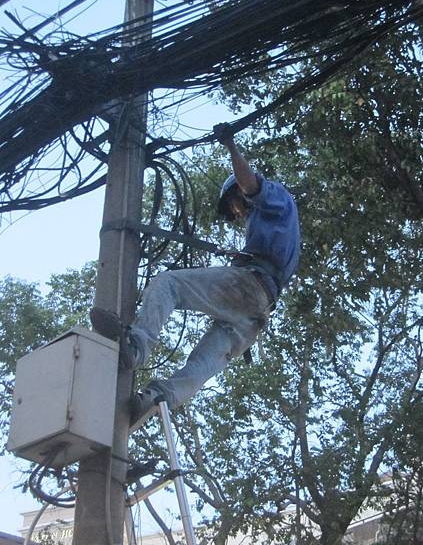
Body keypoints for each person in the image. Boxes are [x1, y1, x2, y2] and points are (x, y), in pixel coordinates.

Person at [92, 123, 301, 432]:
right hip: (258, 310)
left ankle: (135, 346)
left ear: (237, 195)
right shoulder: (275, 231)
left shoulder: (274, 200)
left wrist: (230, 144)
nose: (237, 214)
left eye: (233, 206)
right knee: (205, 363)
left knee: (169, 284)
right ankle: (154, 399)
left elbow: (250, 184)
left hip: (249, 286)